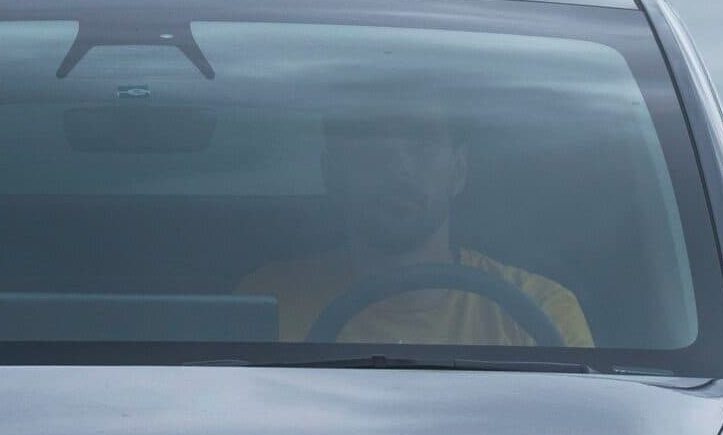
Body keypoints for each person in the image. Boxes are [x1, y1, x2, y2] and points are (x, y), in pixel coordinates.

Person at [237, 107, 593, 348]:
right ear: (332, 174)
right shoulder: (268, 303)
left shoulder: (541, 314)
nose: (398, 170)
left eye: (421, 144)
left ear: (459, 170)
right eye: (371, 147)